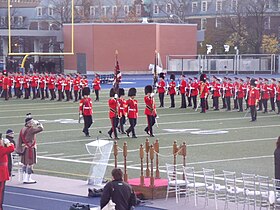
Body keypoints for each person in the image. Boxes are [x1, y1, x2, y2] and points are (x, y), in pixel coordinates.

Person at [16, 113, 43, 184]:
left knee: (24, 164)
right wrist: (38, 123)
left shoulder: (23, 129)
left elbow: (19, 140)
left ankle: (24, 177)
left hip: (24, 148)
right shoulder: (31, 129)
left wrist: (19, 149)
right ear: (28, 123)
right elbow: (41, 129)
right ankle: (28, 178)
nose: (32, 123)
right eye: (31, 122)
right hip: (30, 149)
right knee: (30, 164)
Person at [0, 133, 15, 210]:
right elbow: (12, 148)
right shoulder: (1, 149)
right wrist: (9, 143)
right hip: (1, 173)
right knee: (1, 192)